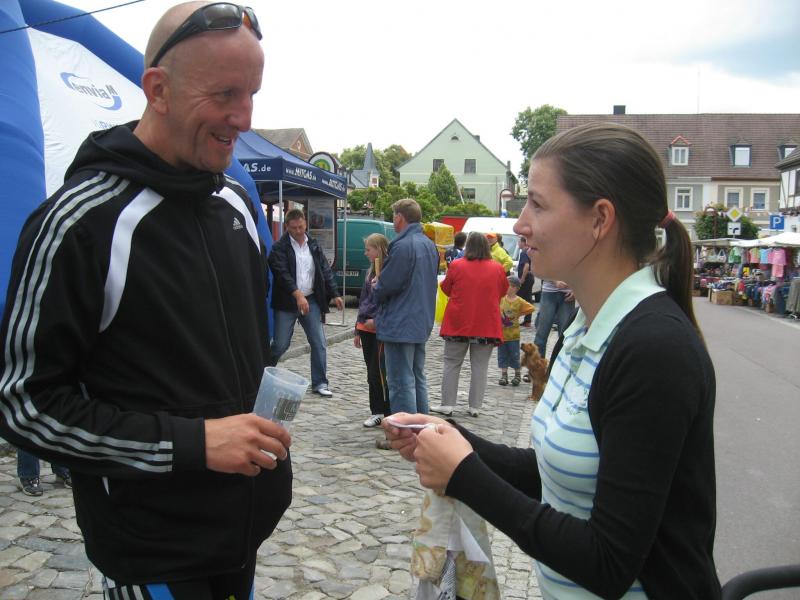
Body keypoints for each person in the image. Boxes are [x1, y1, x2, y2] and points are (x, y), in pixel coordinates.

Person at [0, 3, 293, 598]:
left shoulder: (237, 204)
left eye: (252, 95)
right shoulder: (80, 222)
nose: (243, 118)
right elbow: (23, 404)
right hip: (149, 552)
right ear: (158, 90)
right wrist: (192, 444)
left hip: (244, 534)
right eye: (225, 94)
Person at [384, 122, 721, 599]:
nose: (521, 224)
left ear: (599, 219)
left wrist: (464, 475)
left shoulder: (655, 350)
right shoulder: (584, 327)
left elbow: (608, 563)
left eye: (537, 204)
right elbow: (554, 473)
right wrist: (453, 438)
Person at [429, 232, 507, 419]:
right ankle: (475, 406)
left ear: (468, 246)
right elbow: (502, 291)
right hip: (486, 324)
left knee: (452, 363)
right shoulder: (497, 268)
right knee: (480, 367)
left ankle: (447, 404)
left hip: (459, 322)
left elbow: (446, 288)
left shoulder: (457, 265)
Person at [269, 208, 344, 397]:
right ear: (287, 227)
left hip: (311, 299)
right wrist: (297, 295)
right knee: (280, 344)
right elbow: (282, 274)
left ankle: (320, 383)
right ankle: (263, 373)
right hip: (287, 302)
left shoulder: (314, 245)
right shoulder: (279, 247)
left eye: (301, 227)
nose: (298, 231)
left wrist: (335, 293)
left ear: (305, 224)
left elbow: (324, 270)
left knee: (319, 342)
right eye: (294, 228)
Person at [374, 198, 439, 415]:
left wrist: (376, 285)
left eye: (394, 216)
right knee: (417, 377)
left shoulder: (402, 246)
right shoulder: (429, 244)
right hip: (420, 320)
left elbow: (388, 285)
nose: (393, 220)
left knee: (401, 381)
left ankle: (407, 430)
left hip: (401, 322)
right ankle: (422, 425)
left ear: (400, 217)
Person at [354, 233, 390, 428]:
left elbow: (385, 302)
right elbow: (363, 300)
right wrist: (357, 328)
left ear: (378, 250)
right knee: (371, 372)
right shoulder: (370, 272)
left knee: (379, 372)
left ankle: (386, 410)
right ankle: (376, 410)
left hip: (379, 329)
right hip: (365, 327)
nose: (365, 253)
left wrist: (377, 321)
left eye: (368, 249)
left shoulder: (387, 272)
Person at [498, 275, 534, 386]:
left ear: (514, 288)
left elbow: (531, 308)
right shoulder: (501, 299)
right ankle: (504, 375)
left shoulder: (519, 301)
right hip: (502, 335)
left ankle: (517, 374)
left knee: (515, 355)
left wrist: (519, 314)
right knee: (502, 355)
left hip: (514, 335)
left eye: (507, 285)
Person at [534, 279, 576, 358]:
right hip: (549, 292)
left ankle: (561, 364)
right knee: (541, 335)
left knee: (566, 336)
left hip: (568, 293)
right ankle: (537, 365)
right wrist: (555, 281)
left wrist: (576, 290)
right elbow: (541, 271)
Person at [516, 237, 535, 327]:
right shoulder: (530, 251)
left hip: (526, 278)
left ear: (523, 242)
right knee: (528, 298)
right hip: (530, 277)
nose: (518, 244)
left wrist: (522, 279)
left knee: (517, 297)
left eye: (519, 242)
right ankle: (528, 320)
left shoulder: (524, 252)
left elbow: (526, 265)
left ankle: (513, 318)